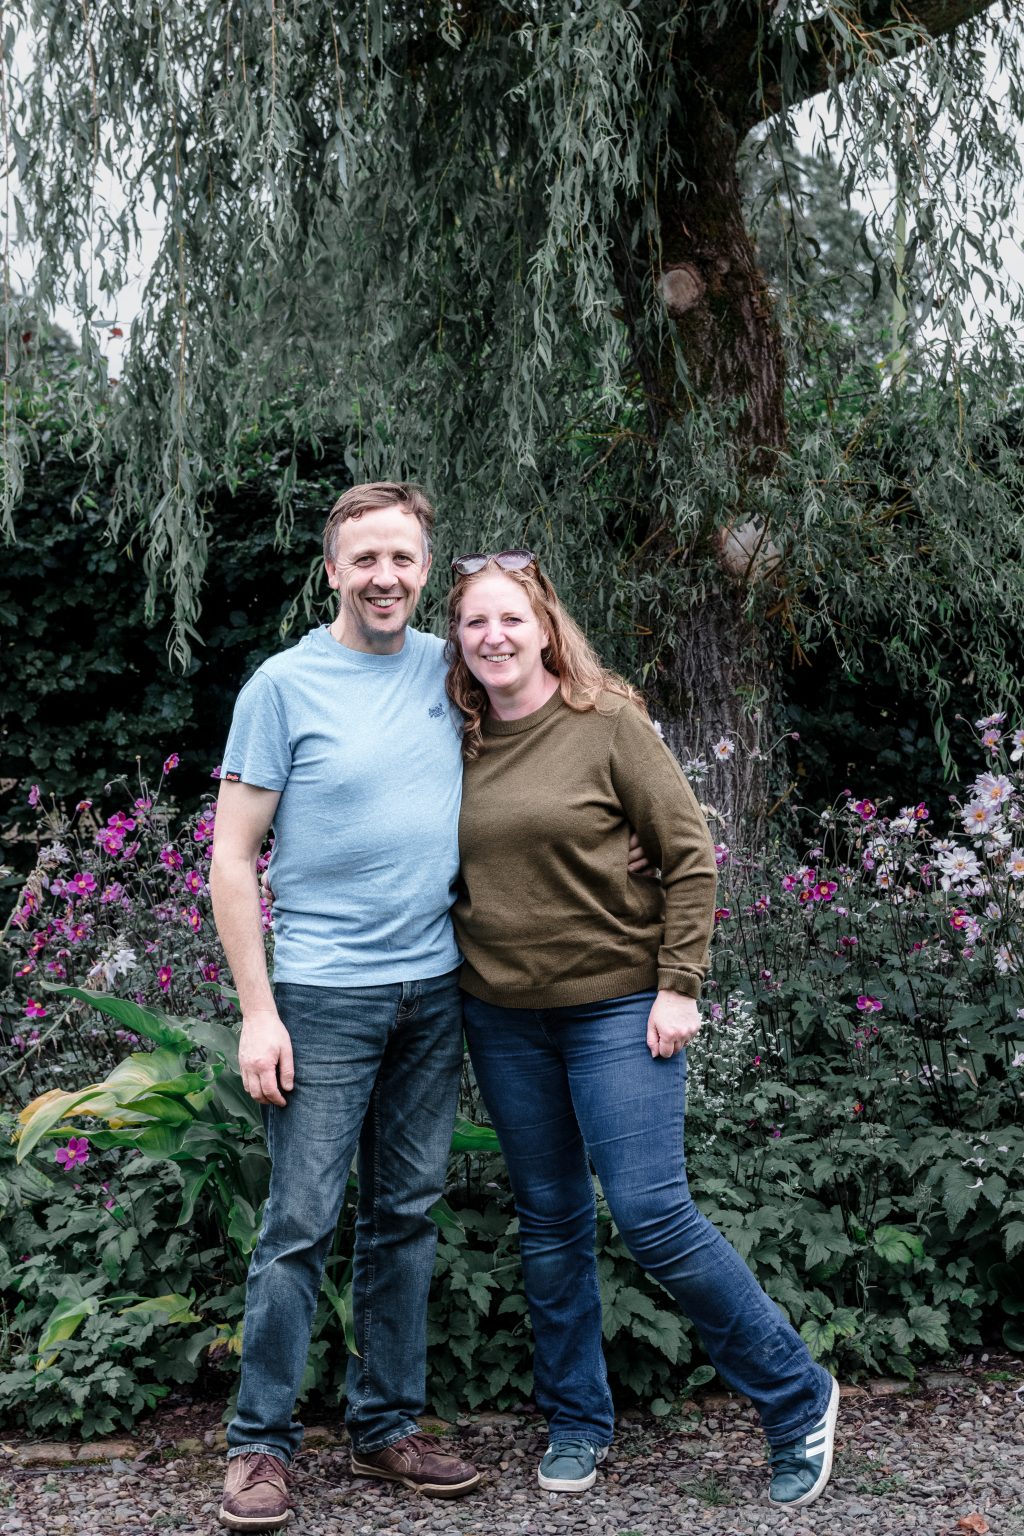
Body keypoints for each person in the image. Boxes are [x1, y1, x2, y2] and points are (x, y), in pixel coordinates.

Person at [445, 550, 840, 1511]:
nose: (493, 637)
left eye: (509, 619)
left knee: (653, 1214)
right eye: (471, 624)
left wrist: (679, 985)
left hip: (621, 1005)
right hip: (501, 1014)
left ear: (545, 625)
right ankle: (578, 1420)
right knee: (548, 1221)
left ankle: (798, 1397)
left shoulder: (606, 723)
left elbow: (690, 856)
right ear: (454, 643)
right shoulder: (449, 737)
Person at [210, 483, 483, 1532]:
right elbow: (233, 859)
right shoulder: (282, 686)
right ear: (332, 570)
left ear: (424, 568)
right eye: (363, 559)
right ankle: (259, 1447)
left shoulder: (447, 671)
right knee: (298, 1227)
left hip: (434, 989)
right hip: (321, 995)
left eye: (402, 560)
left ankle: (385, 1430)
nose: (384, 577)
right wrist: (257, 1010)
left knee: (404, 1218)